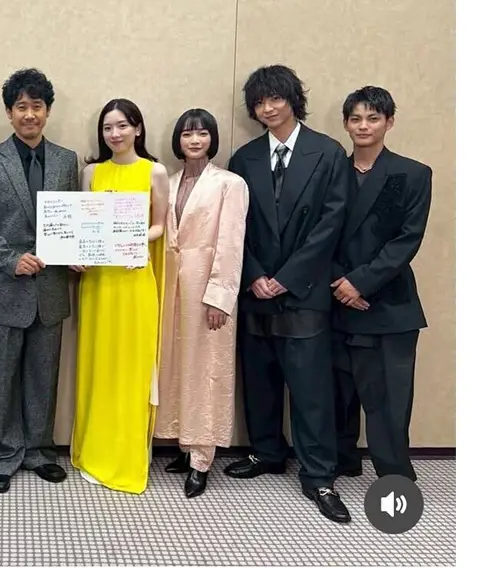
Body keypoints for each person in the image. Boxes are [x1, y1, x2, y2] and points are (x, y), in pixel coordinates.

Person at [223, 65, 352, 524]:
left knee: (311, 388)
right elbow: (235, 226)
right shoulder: (244, 158)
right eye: (259, 102)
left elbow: (331, 224)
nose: (268, 108)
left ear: (293, 99)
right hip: (256, 288)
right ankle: (266, 452)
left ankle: (319, 475)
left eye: (275, 98)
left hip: (305, 289)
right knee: (259, 379)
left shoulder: (328, 152)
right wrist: (255, 274)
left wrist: (289, 276)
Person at [0, 68, 80, 494]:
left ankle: (39, 451)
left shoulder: (66, 160)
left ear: (48, 111)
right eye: (21, 107)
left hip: (50, 289)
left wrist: (77, 254)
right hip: (4, 287)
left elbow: (73, 221)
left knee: (42, 377)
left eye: (37, 106)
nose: (29, 114)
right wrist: (10, 259)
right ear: (9, 112)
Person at [330, 86, 432, 482]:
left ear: (389, 122)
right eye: (355, 118)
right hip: (335, 297)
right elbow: (316, 235)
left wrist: (360, 283)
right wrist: (339, 283)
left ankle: (394, 477)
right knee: (338, 393)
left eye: (373, 118)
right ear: (345, 124)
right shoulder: (330, 171)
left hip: (388, 303)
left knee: (389, 399)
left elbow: (407, 240)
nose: (364, 126)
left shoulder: (413, 173)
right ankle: (342, 461)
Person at [70, 99, 168, 495]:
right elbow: (84, 226)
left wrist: (135, 239)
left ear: (138, 128)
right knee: (98, 366)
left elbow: (160, 226)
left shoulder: (154, 171)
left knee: (131, 369)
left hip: (134, 281)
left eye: (123, 125)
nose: (115, 134)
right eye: (108, 127)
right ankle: (94, 451)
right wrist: (76, 253)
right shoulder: (91, 172)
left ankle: (126, 457)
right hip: (98, 283)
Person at [155, 108, 249, 498]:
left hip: (208, 286)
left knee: (207, 368)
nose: (195, 140)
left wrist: (220, 297)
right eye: (187, 134)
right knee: (177, 366)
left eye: (202, 133)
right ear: (178, 140)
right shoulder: (168, 180)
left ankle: (202, 457)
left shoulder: (230, 183)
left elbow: (231, 242)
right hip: (171, 286)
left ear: (212, 139)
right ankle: (183, 442)